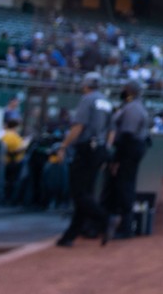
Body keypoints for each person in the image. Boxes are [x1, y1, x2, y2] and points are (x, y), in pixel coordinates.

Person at [55, 72, 114, 247]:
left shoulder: (87, 100)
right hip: (100, 148)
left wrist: (63, 146)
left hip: (86, 149)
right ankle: (70, 236)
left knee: (78, 193)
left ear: (85, 84)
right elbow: (112, 130)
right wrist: (106, 148)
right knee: (86, 193)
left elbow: (78, 126)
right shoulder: (106, 102)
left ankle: (104, 218)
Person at [105, 79, 149, 240]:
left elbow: (127, 135)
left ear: (129, 90)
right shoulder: (134, 106)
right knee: (123, 185)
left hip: (130, 149)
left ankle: (126, 227)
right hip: (132, 148)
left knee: (125, 186)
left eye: (124, 89)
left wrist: (116, 158)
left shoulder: (133, 108)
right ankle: (122, 224)